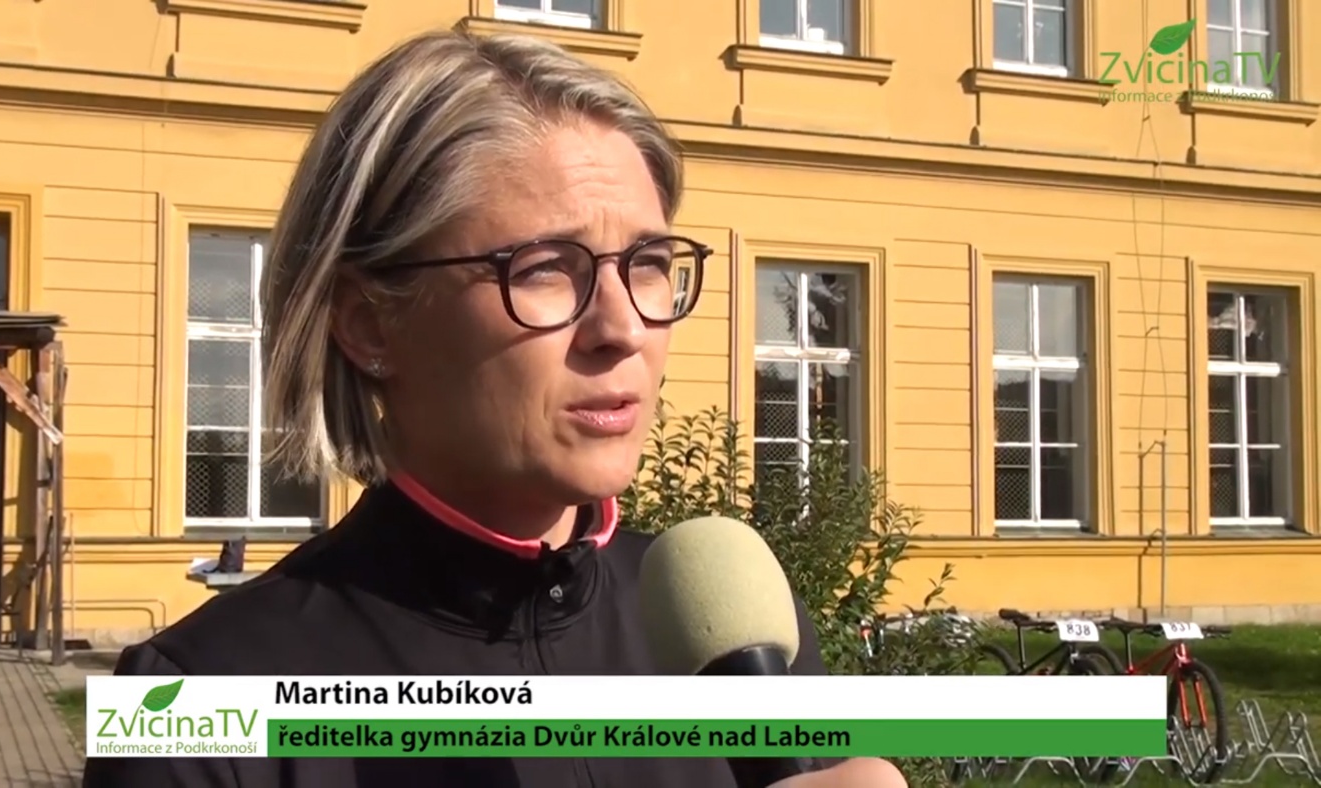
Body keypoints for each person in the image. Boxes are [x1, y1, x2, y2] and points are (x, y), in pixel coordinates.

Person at [80, 28, 907, 788]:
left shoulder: (735, 639)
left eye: (649, 263)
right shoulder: (196, 710)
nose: (622, 329)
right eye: (545, 268)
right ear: (370, 323)